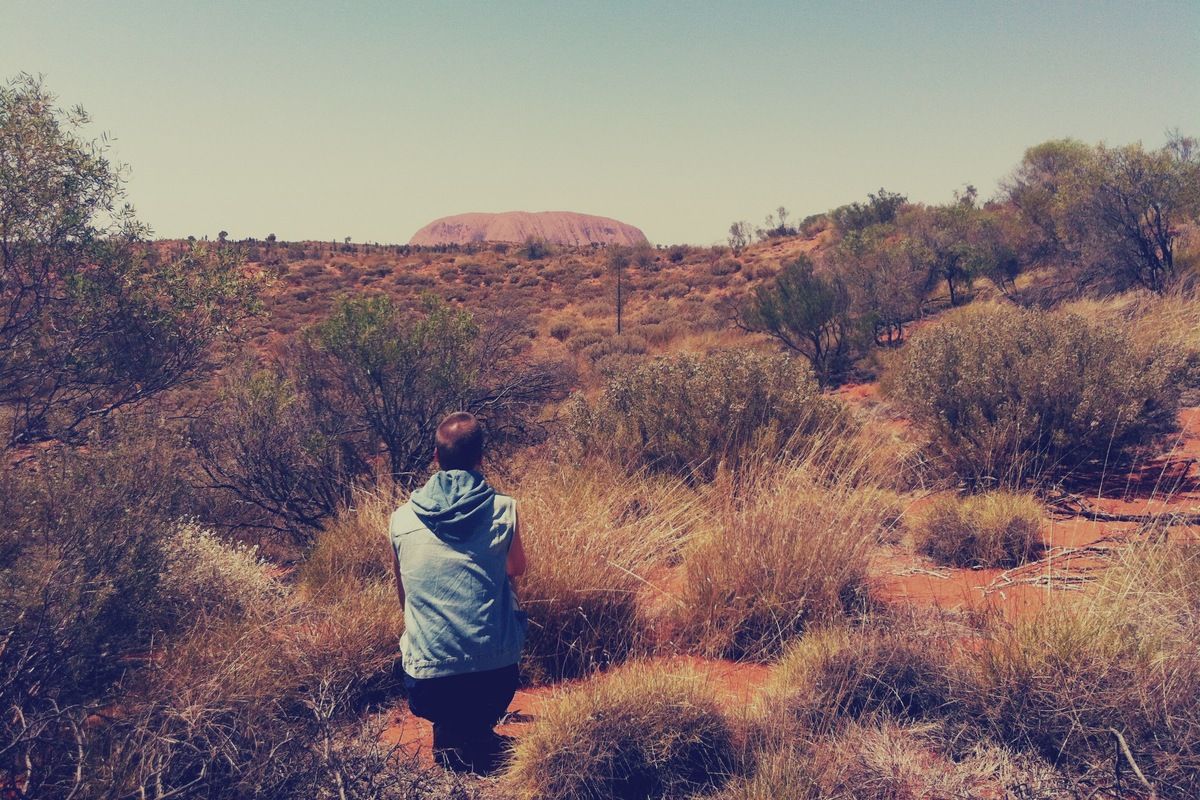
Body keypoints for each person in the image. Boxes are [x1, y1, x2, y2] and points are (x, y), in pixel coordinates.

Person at [389, 411, 528, 773]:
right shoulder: (504, 509)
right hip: (495, 682)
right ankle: (477, 727)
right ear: (480, 457)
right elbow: (517, 568)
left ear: (436, 457)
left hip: (427, 687)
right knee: (507, 585)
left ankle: (451, 727)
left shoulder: (400, 519)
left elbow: (403, 596)